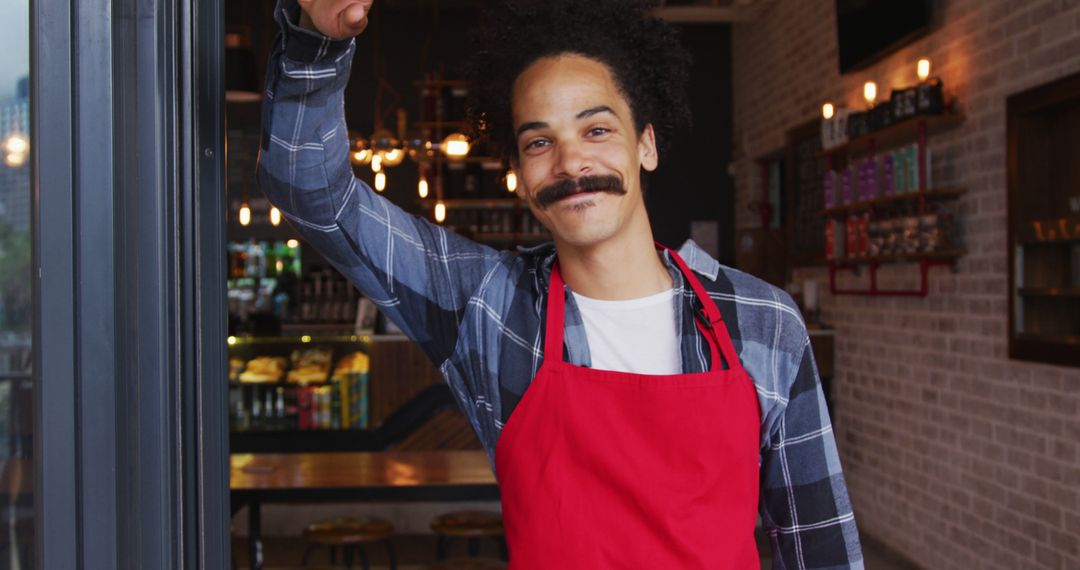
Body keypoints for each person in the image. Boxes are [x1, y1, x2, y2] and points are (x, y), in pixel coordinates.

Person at [258, 0, 864, 567]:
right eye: (540, 142)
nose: (570, 162)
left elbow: (820, 546)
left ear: (646, 144)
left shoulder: (763, 321)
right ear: (521, 177)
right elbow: (313, 194)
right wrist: (318, 42)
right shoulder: (488, 305)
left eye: (596, 130)